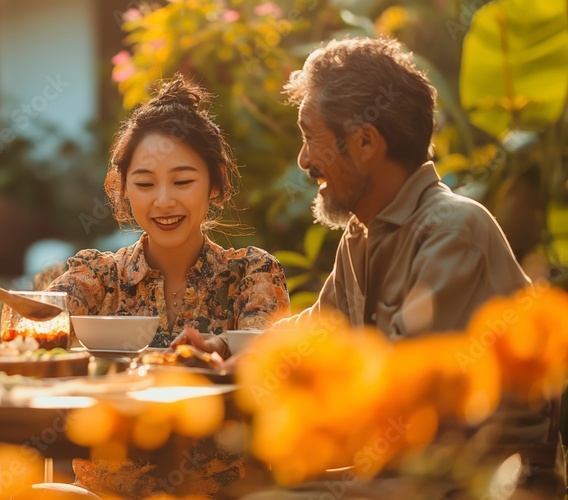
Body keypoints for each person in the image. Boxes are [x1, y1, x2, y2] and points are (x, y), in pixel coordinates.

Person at [248, 37, 562, 497]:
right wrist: (224, 349)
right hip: (395, 477)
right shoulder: (361, 235)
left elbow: (400, 392)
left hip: (473, 484)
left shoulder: (453, 229)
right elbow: (317, 331)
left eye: (309, 135)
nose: (304, 159)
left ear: (365, 142)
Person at [43, 75, 289, 497]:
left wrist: (219, 351)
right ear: (124, 189)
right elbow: (37, 324)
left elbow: (264, 361)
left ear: (215, 184)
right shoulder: (98, 276)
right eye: (144, 183)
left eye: (182, 181)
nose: (162, 200)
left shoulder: (252, 274)